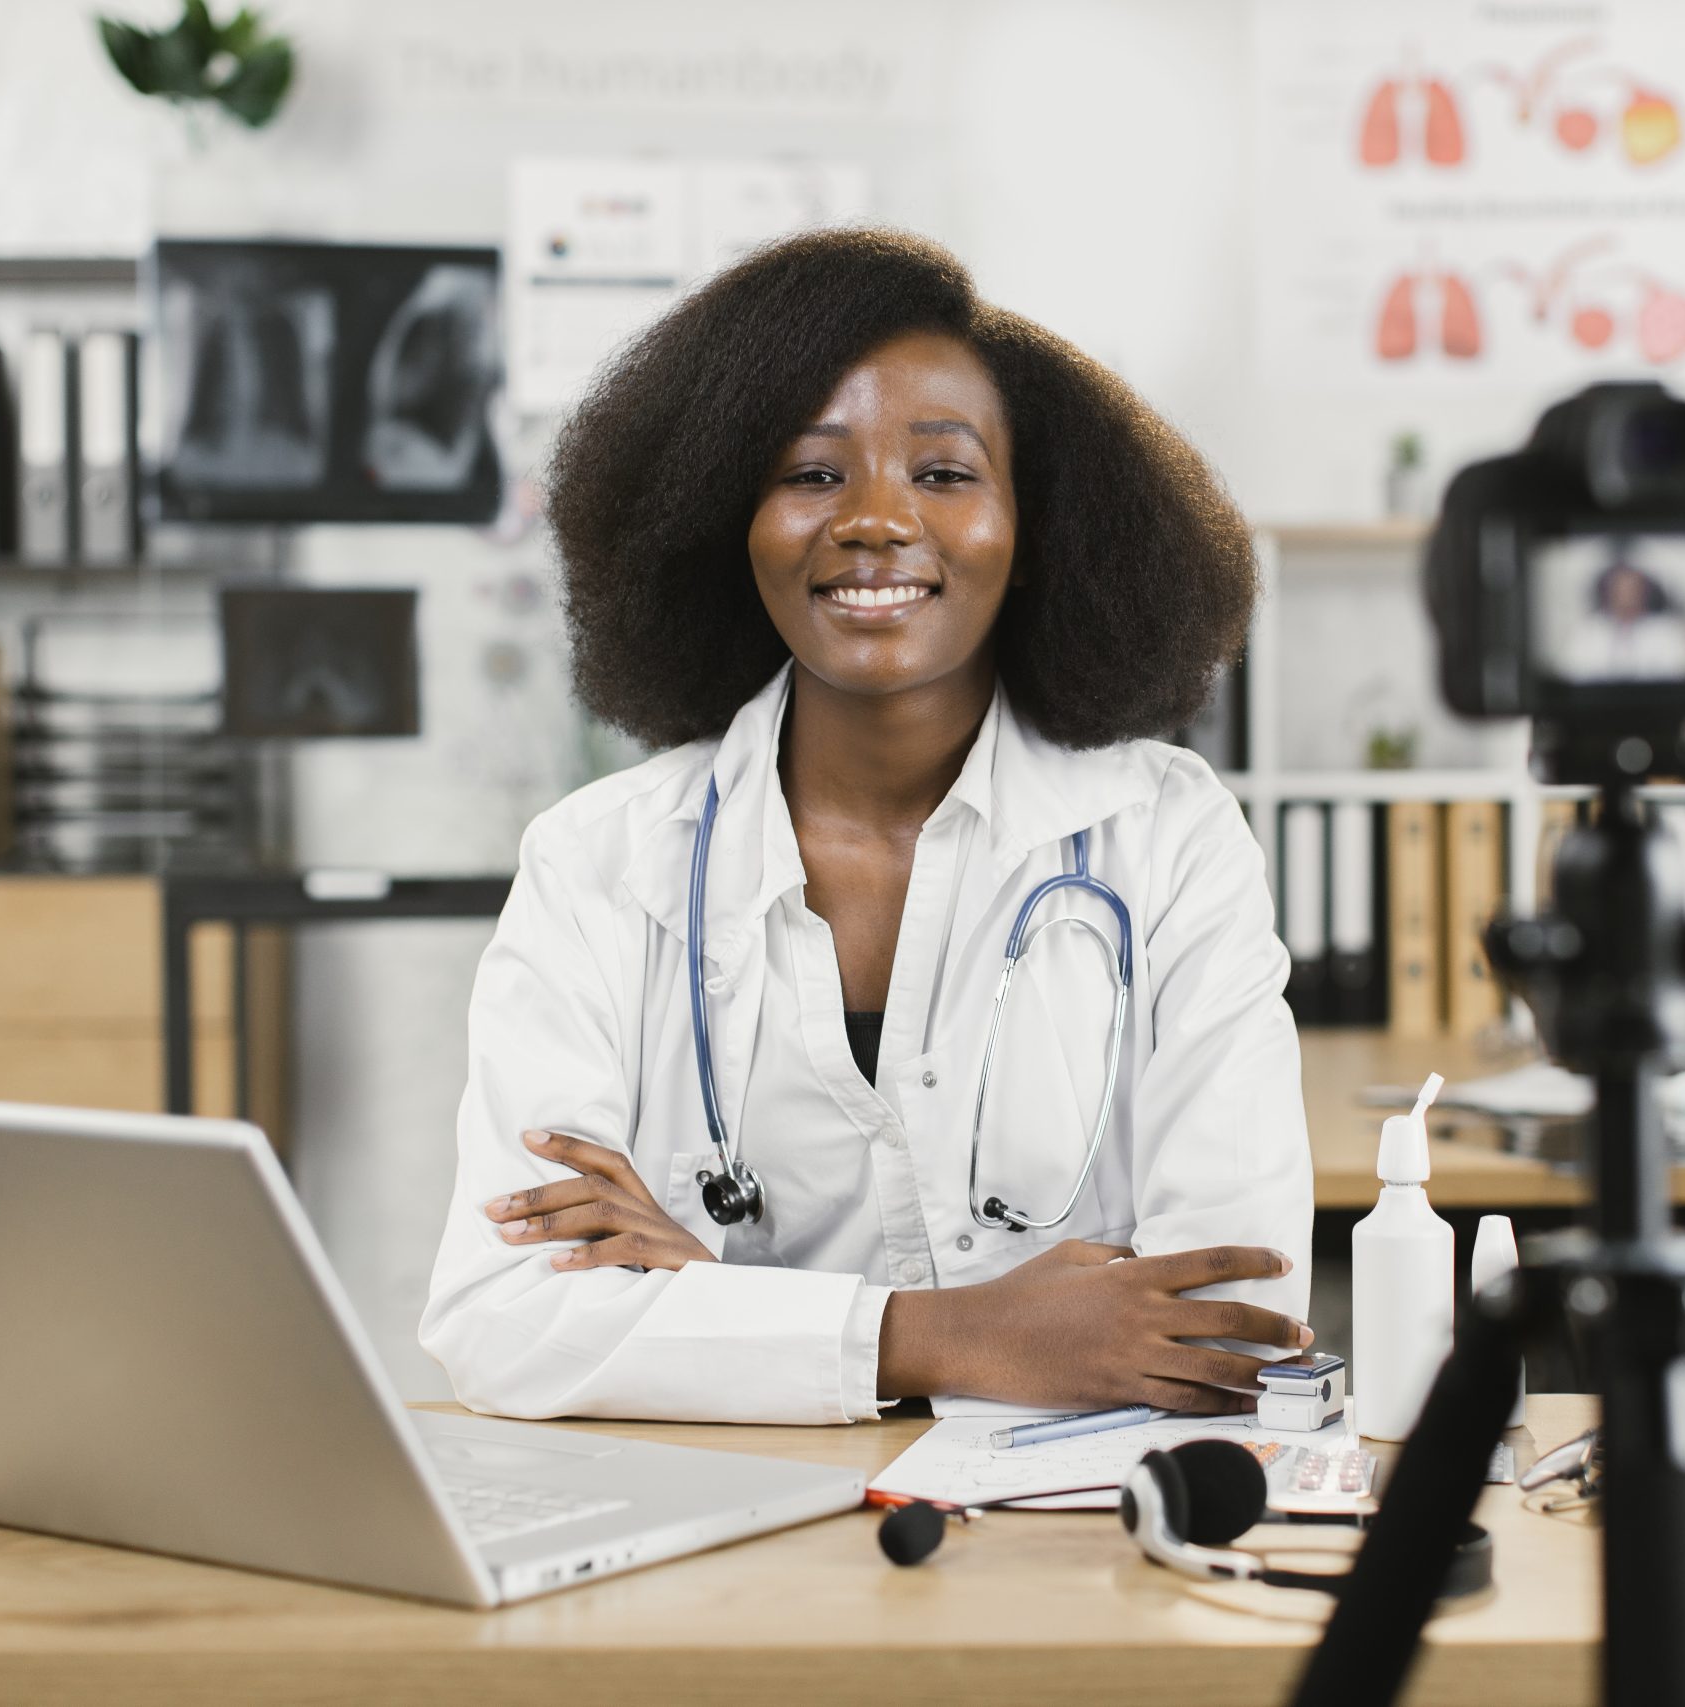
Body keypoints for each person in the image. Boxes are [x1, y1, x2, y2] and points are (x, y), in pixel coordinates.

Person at [419, 229, 1314, 1427]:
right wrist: (955, 1335)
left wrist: (712, 1306)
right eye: (810, 475)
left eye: (943, 474)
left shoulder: (1165, 840)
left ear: (1034, 523)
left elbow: (1228, 1322)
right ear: (721, 522)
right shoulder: (597, 862)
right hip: (722, 1552)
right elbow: (503, 1320)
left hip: (1064, 1563)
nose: (876, 521)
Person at [1561, 558, 1685, 680]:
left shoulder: (1668, 632)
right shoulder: (1586, 633)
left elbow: (1679, 674)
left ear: (1644, 590)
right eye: (1620, 587)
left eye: (1632, 587)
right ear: (1608, 591)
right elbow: (1573, 674)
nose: (1626, 594)